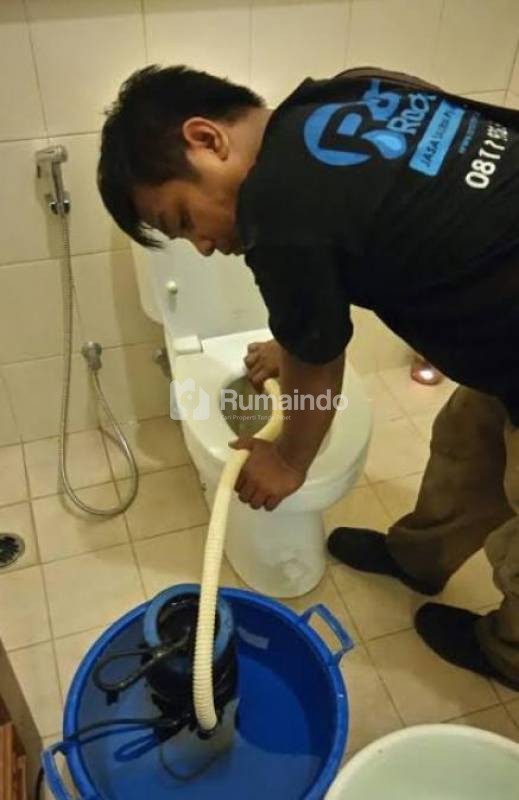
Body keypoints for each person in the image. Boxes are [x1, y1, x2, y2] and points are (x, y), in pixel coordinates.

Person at [97, 64, 519, 692]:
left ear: (206, 139)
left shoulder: (275, 207)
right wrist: (291, 340)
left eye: (183, 220)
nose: (203, 247)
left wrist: (290, 461)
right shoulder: (342, 95)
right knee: (469, 436)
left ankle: (509, 651)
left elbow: (319, 357)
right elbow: (376, 220)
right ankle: (419, 556)